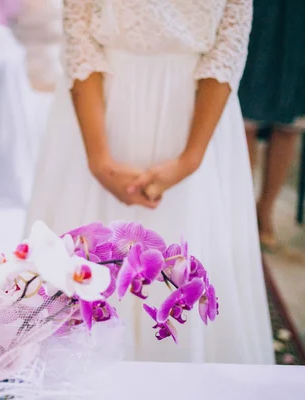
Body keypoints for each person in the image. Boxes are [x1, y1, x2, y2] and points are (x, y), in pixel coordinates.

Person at [25, 0, 274, 364]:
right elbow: (79, 35)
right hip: (101, 110)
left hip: (195, 111)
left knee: (190, 254)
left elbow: (229, 44)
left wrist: (191, 158)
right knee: (83, 261)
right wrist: (99, 159)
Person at [239, 0, 305, 252]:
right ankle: (242, 208)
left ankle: (265, 209)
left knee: (289, 122)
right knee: (246, 117)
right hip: (260, 10)